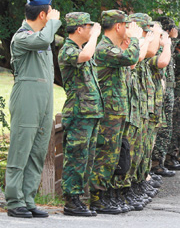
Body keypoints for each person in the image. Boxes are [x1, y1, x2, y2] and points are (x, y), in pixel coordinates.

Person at [5, 0, 62, 218]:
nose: (53, 16)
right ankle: (14, 200)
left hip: (44, 97)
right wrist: (54, 22)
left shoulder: (42, 35)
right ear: (42, 14)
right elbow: (44, 39)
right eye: (51, 12)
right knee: (21, 150)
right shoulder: (23, 36)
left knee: (37, 150)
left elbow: (48, 40)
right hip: (27, 96)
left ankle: (28, 199)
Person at [89, 10, 141, 214]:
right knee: (105, 154)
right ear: (118, 27)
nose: (129, 30)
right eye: (126, 26)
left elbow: (132, 61)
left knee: (115, 155)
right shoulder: (103, 49)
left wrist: (130, 42)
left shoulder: (113, 48)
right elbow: (132, 56)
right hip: (108, 111)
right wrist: (136, 39)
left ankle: (107, 194)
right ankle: (96, 198)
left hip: (117, 110)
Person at [58, 12, 102, 217]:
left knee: (86, 157)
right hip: (78, 112)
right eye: (89, 27)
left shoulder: (80, 49)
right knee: (76, 156)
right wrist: (95, 37)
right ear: (79, 29)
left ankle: (79, 198)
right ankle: (71, 200)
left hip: (89, 112)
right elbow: (85, 57)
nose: (92, 30)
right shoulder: (68, 49)